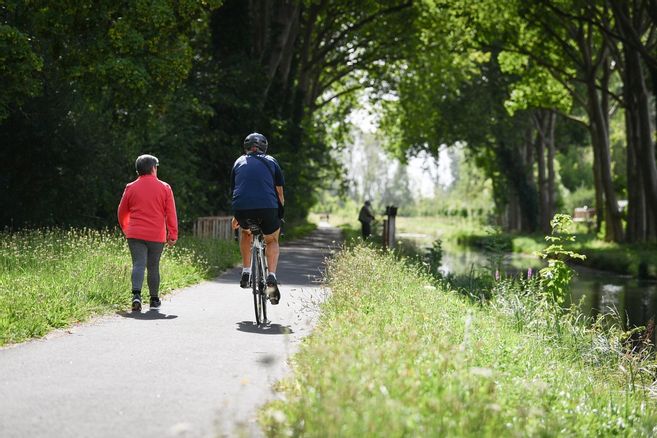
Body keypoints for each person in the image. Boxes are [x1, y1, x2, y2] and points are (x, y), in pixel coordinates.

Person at [118, 154, 178, 312]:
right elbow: (171, 213)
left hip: (135, 233)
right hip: (156, 235)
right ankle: (154, 299)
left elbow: (121, 211)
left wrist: (126, 227)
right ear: (153, 168)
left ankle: (136, 296)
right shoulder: (165, 187)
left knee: (138, 263)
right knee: (153, 266)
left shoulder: (130, 187)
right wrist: (172, 234)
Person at [230, 133, 284, 305]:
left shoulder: (238, 162)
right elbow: (280, 193)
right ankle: (271, 277)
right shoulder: (272, 161)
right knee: (272, 239)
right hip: (268, 208)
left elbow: (237, 191)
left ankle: (246, 271)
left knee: (246, 232)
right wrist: (280, 214)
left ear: (246, 147)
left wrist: (236, 216)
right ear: (264, 147)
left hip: (243, 209)